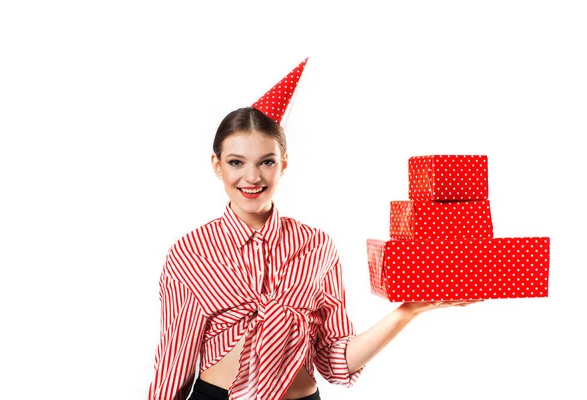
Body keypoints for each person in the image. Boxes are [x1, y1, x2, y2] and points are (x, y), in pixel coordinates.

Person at [147, 58, 477, 400]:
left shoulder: (316, 246)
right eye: (236, 162)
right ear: (217, 165)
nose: (252, 177)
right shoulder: (191, 251)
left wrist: (409, 311)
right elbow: (174, 363)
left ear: (284, 163)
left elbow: (336, 360)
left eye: (267, 161)